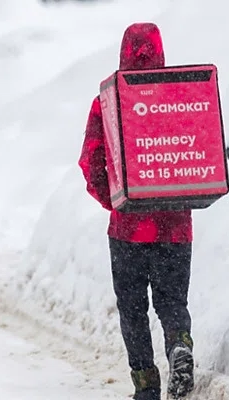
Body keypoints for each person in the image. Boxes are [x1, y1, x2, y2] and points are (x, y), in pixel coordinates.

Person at [78, 22, 195, 400]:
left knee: (132, 309)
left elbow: (92, 160)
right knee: (172, 301)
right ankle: (179, 346)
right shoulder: (182, 94)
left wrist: (114, 202)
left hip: (128, 231)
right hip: (176, 229)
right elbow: (197, 148)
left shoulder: (109, 100)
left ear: (124, 51)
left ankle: (146, 386)